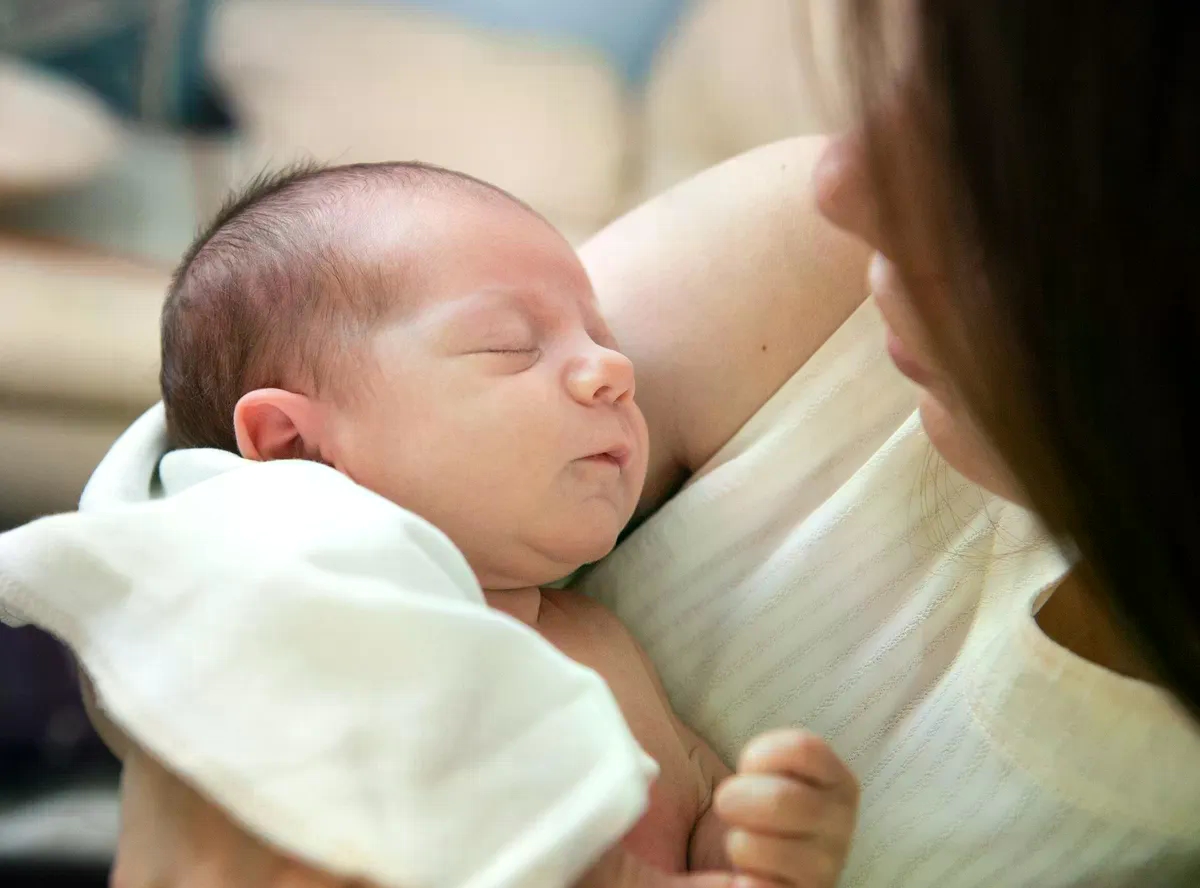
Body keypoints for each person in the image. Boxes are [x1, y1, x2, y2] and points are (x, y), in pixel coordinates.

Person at [102, 3, 1200, 886]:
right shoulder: (809, 270)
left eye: (986, 141)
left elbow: (692, 831)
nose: (841, 179)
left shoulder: (599, 655)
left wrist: (757, 848)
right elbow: (203, 480)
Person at [146, 157, 857, 888]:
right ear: (299, 448)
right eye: (511, 345)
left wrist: (753, 837)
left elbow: (695, 799)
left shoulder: (600, 639)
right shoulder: (332, 642)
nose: (613, 369)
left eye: (601, 335)